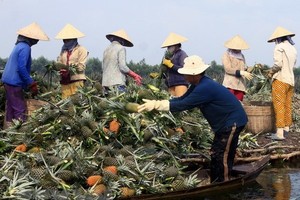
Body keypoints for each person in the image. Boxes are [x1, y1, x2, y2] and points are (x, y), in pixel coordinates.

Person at [138, 55, 248, 183]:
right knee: (219, 152)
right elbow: (182, 99)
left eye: (187, 74)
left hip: (232, 122)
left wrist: (157, 105)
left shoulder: (204, 87)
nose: (184, 77)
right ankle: (220, 180)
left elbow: (183, 105)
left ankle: (222, 183)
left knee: (221, 154)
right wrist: (158, 103)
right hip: (226, 122)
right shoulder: (199, 84)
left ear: (195, 74)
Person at [1, 22, 49, 128]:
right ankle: (19, 134)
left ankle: (8, 130)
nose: (37, 41)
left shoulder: (19, 45)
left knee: (11, 108)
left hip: (8, 80)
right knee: (20, 109)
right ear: (31, 38)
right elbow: (21, 68)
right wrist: (31, 83)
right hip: (14, 82)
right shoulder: (26, 48)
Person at [266, 26, 297, 140]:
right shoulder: (293, 49)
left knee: (279, 105)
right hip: (290, 80)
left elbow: (278, 64)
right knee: (287, 104)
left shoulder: (279, 47)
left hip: (280, 79)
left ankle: (279, 133)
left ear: (278, 38)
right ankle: (286, 128)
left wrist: (270, 72)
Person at [102, 29, 142, 94]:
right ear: (121, 40)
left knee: (108, 102)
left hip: (106, 83)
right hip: (117, 83)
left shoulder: (106, 50)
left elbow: (103, 68)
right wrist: (135, 75)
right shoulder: (121, 48)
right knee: (121, 102)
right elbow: (123, 67)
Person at [54, 24, 89, 99]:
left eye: (67, 40)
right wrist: (60, 69)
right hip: (65, 81)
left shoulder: (81, 50)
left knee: (76, 102)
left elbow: (81, 66)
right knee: (64, 102)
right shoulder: (63, 50)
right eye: (64, 40)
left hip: (76, 80)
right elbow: (60, 61)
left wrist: (69, 69)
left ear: (73, 39)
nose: (65, 42)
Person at [222, 35, 253, 101]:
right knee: (229, 103)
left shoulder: (242, 56)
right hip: (230, 84)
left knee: (239, 105)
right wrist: (241, 72)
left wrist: (250, 69)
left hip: (240, 86)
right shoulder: (226, 55)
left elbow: (243, 68)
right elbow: (228, 69)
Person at [161, 32, 189, 97]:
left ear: (176, 45)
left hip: (180, 83)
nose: (168, 48)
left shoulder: (182, 54)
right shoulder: (169, 56)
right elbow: (168, 71)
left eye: (169, 46)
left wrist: (171, 65)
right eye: (168, 47)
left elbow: (184, 69)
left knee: (180, 103)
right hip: (171, 84)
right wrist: (161, 74)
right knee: (172, 104)